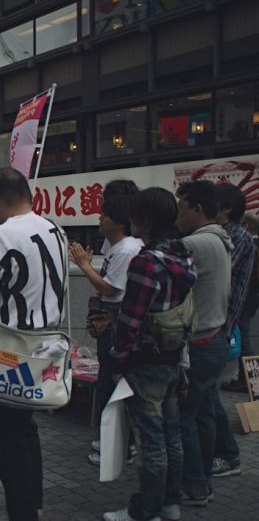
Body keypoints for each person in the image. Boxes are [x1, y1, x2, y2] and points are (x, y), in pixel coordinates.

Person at [0, 168, 67, 521]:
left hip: (10, 349)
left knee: (5, 437)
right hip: (46, 344)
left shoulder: (0, 235)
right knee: (25, 429)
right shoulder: (55, 229)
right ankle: (30, 504)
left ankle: (22, 514)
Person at [103, 188, 195, 521]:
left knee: (151, 442)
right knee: (173, 436)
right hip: (174, 357)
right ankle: (171, 504)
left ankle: (146, 511)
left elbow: (131, 318)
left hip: (146, 361)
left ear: (145, 219)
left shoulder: (147, 261)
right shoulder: (182, 254)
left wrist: (118, 358)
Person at [69, 196, 142, 466]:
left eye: (105, 213)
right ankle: (118, 444)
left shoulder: (126, 249)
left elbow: (111, 290)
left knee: (111, 385)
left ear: (120, 221)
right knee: (108, 383)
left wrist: (85, 267)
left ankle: (117, 448)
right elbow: (108, 282)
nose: (99, 217)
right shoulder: (116, 246)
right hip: (111, 325)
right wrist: (89, 266)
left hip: (117, 327)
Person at [176, 180, 232, 506]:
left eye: (181, 206)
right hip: (216, 337)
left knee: (186, 416)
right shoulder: (221, 239)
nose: (178, 213)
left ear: (197, 209)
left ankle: (196, 486)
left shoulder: (194, 245)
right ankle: (205, 479)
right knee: (205, 413)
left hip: (199, 342)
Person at [211, 184, 254, 477]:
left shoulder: (237, 238)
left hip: (220, 327)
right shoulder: (223, 235)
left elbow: (216, 272)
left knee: (206, 396)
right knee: (205, 395)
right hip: (217, 326)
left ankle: (228, 455)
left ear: (225, 209)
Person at [222, 211, 259, 393]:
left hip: (246, 297)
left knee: (243, 337)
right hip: (251, 297)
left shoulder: (247, 243)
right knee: (243, 335)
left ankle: (251, 382)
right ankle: (250, 382)